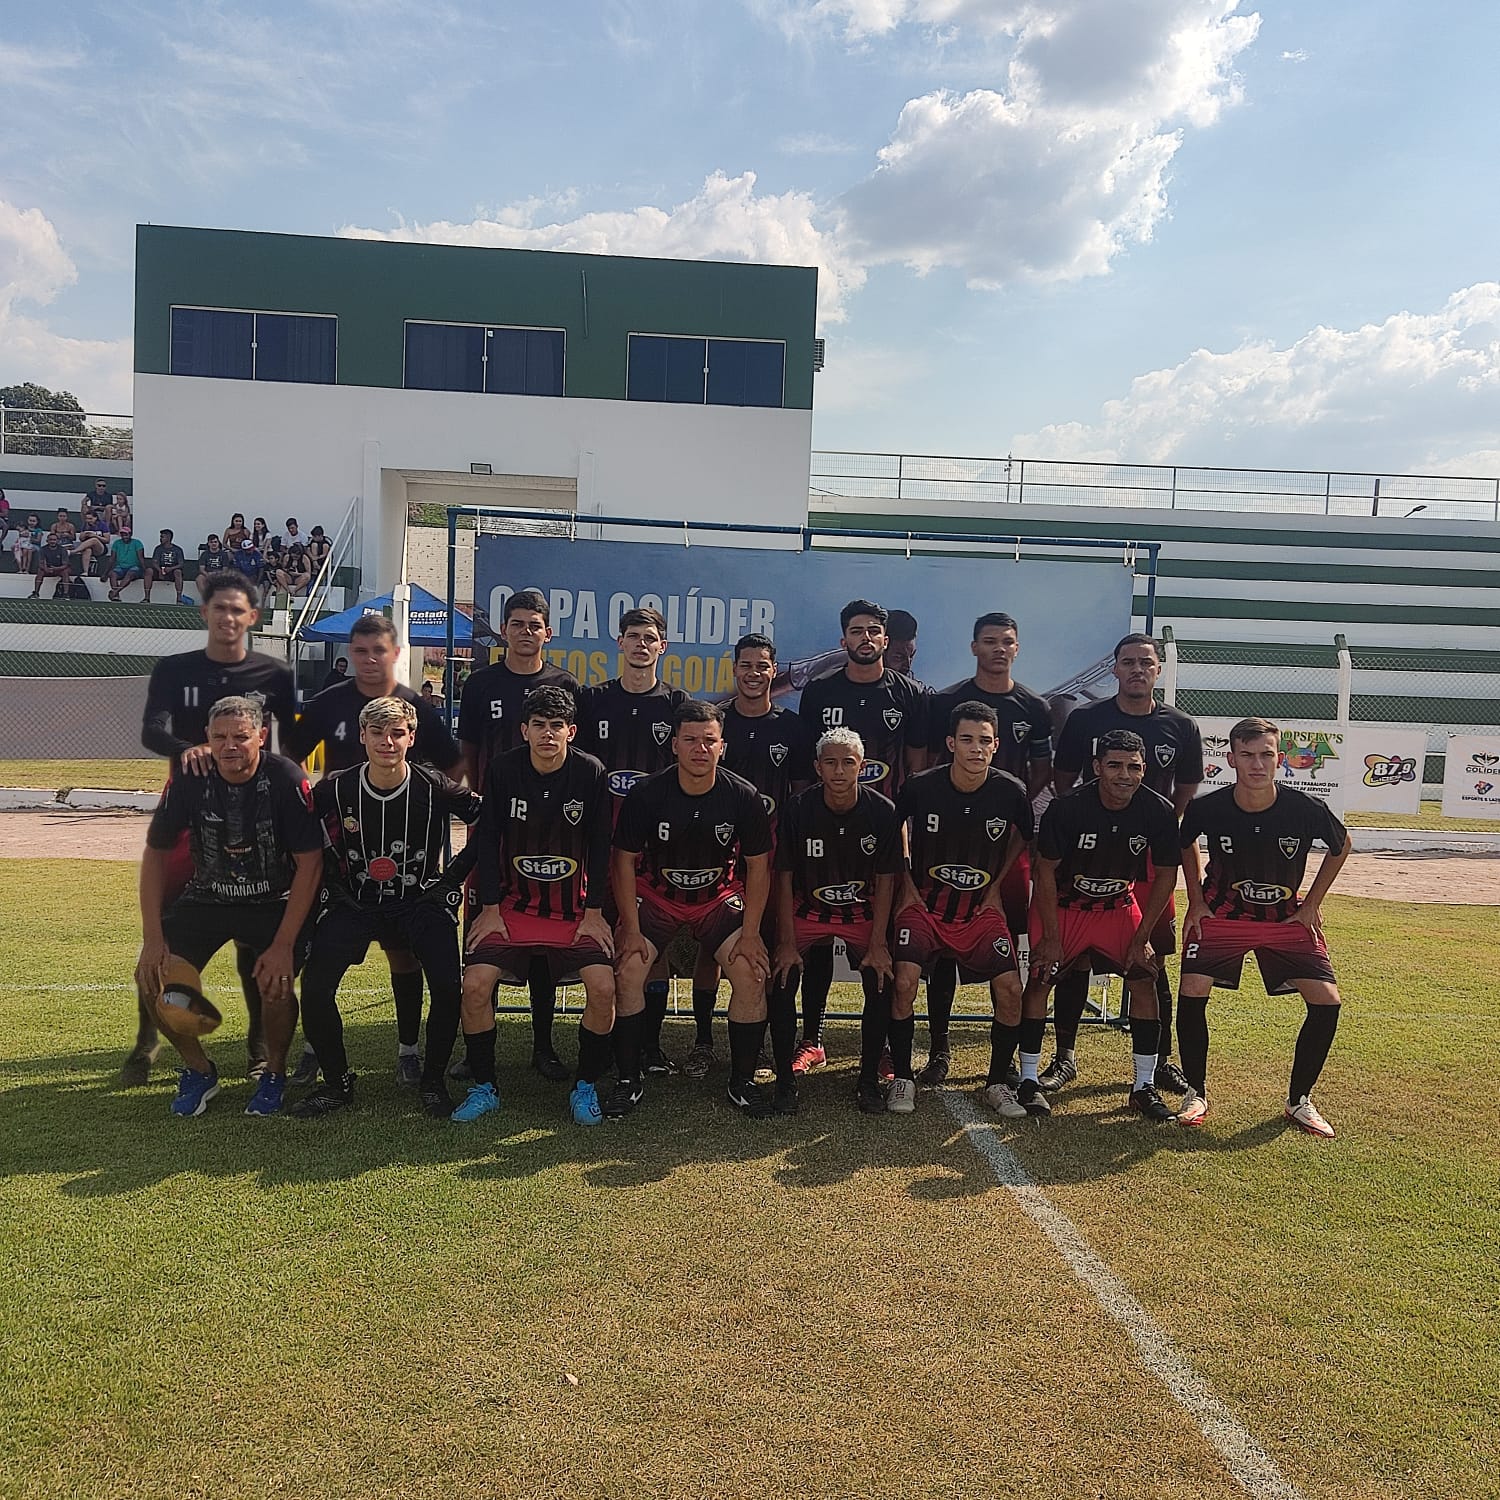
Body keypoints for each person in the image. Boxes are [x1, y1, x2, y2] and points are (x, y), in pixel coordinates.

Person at [127, 571, 300, 1085]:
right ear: (205, 613)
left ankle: (259, 1046)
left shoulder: (274, 672)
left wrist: (279, 785)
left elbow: (288, 740)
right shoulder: (175, 668)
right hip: (189, 806)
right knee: (164, 923)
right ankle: (148, 1038)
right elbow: (151, 730)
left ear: (253, 617)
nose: (228, 617)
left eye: (238, 609)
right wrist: (191, 753)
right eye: (219, 608)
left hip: (254, 805)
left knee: (255, 918)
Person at [283, 612, 465, 1086]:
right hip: (346, 860)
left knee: (405, 957)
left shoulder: (415, 708)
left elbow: (452, 766)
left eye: (378, 651)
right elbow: (289, 760)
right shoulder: (329, 703)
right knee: (319, 966)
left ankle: (410, 1051)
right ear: (350, 653)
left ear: (395, 654)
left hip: (406, 857)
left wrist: (429, 803)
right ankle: (314, 1051)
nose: (368, 660)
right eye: (360, 651)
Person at [291, 697, 482, 1119]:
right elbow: (299, 830)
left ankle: (432, 1080)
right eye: (377, 733)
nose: (387, 742)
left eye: (397, 733)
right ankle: (337, 1084)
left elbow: (488, 821)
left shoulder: (434, 785)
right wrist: (332, 881)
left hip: (419, 901)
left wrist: (451, 879)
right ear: (362, 736)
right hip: (355, 902)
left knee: (449, 988)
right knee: (317, 987)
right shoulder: (335, 787)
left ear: (411, 738)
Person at [134, 696, 323, 1118]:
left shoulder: (285, 779)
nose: (230, 745)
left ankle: (273, 1074)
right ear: (207, 738)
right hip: (208, 897)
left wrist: (283, 944)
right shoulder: (190, 776)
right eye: (220, 737)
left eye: (241, 736)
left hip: (273, 900)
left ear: (261, 736)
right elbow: (156, 854)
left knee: (275, 983)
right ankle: (199, 1071)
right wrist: (153, 938)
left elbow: (310, 864)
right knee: (151, 978)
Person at [1176, 717, 1352, 1137]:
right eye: (1249, 755)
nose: (1258, 764)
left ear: (1280, 759)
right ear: (1231, 757)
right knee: (1192, 988)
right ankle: (1195, 1092)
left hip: (1284, 919)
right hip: (1223, 916)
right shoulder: (1208, 807)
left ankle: (1299, 1101)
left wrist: (1311, 905)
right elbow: (1185, 843)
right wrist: (1196, 901)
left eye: (1267, 755)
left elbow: (1341, 845)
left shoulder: (1304, 808)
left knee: (1327, 1000)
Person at [1049, 633, 1204, 1097]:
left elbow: (1184, 794)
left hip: (1149, 867)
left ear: (1158, 670)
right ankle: (1065, 1056)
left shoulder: (1181, 726)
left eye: (1146, 663)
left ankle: (1160, 1062)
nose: (1138, 670)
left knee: (1150, 961)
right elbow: (1062, 784)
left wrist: (1150, 833)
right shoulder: (1086, 720)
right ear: (1114, 669)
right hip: (1085, 867)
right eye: (1128, 662)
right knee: (1073, 963)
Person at [455, 686, 616, 1126]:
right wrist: (489, 907)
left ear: (571, 731)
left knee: (603, 989)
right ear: (524, 730)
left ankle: (585, 1087)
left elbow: (601, 844)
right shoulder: (504, 769)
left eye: (557, 726)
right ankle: (483, 1086)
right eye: (539, 726)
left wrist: (595, 911)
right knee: (474, 986)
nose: (548, 734)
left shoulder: (591, 772)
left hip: (573, 910)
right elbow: (487, 839)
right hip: (513, 905)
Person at [610, 700, 773, 1117]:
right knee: (629, 968)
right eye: (690, 740)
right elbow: (623, 862)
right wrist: (629, 926)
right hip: (660, 897)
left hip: (716, 899)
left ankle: (742, 1081)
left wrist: (751, 933)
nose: (700, 749)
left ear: (723, 746)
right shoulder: (647, 793)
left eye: (709, 740)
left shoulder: (744, 796)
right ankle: (629, 1077)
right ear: (674, 745)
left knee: (751, 974)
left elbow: (759, 868)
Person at [791, 599, 927, 1074]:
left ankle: (887, 1046)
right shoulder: (820, 691)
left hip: (883, 836)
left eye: (874, 631)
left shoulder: (910, 695)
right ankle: (811, 1038)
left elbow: (916, 772)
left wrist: (906, 838)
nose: (865, 638)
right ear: (843, 639)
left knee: (880, 937)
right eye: (856, 631)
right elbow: (804, 773)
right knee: (819, 933)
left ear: (885, 640)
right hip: (823, 838)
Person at [920, 611, 1055, 1086]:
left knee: (1005, 944)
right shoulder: (949, 701)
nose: (1000, 648)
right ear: (974, 646)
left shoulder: (1034, 707)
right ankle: (938, 1049)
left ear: (1017, 648)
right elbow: (930, 767)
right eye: (990, 641)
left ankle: (1010, 1067)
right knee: (939, 951)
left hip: (1005, 846)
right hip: (946, 846)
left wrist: (1012, 798)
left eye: (1008, 641)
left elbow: (1042, 771)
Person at [1022, 729, 1181, 1123]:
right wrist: (1053, 939)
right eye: (1114, 766)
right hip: (1066, 907)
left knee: (1145, 977)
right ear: (1097, 768)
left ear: (1144, 770)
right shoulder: (1069, 808)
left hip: (1118, 907)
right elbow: (1043, 873)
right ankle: (1027, 1079)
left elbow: (1165, 875)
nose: (1124, 775)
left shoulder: (1158, 810)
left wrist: (1142, 936)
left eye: (1133, 767)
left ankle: (1143, 1086)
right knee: (1041, 976)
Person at [683, 631, 815, 1080]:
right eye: (746, 665)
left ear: (773, 671)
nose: (754, 673)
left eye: (762, 666)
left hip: (772, 859)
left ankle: (757, 1043)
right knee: (710, 950)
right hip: (720, 857)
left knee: (770, 947)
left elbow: (799, 798)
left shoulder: (792, 727)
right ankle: (702, 1041)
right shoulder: (716, 724)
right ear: (734, 669)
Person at [892, 701, 1033, 1117]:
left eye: (984, 741)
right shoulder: (921, 785)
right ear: (951, 743)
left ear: (996, 746)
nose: (976, 748)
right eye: (967, 740)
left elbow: (1023, 837)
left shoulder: (1011, 791)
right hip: (924, 904)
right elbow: (895, 824)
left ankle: (995, 1083)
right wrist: (905, 881)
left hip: (978, 908)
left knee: (1010, 990)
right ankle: (902, 1076)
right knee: (904, 982)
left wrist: (996, 885)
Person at [576, 606, 686, 1076]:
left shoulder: (677, 703)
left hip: (655, 849)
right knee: (600, 942)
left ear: (663, 647)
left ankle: (648, 1047)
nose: (641, 644)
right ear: (618, 643)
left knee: (648, 947)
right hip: (600, 845)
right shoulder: (592, 699)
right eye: (632, 636)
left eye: (650, 638)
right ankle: (603, 1042)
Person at [771, 728, 902, 1114]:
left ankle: (867, 1079)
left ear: (862, 767)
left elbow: (886, 879)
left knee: (880, 977)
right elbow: (783, 875)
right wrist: (786, 940)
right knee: (781, 978)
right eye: (830, 762)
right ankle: (784, 1080)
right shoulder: (798, 807)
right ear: (817, 768)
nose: (839, 770)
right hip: (809, 911)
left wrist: (878, 944)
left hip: (862, 913)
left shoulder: (883, 811)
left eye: (848, 762)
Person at [103, 523, 148, 601]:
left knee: (130, 573)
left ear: (130, 534)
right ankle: (116, 596)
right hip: (120, 567)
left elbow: (141, 558)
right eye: (122, 535)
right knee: (112, 574)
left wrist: (144, 570)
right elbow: (112, 559)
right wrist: (105, 573)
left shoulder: (137, 543)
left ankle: (115, 592)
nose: (124, 537)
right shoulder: (117, 543)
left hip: (134, 567)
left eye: (126, 534)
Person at [145, 529, 186, 603]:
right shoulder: (158, 549)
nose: (160, 539)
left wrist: (171, 568)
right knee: (148, 571)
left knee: (178, 572)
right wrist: (160, 570)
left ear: (168, 537)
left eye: (162, 537)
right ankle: (146, 597)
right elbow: (154, 562)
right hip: (159, 571)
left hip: (171, 572)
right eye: (160, 537)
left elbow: (181, 564)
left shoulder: (177, 549)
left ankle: (179, 598)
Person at [30, 530, 72, 598]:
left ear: (58, 541)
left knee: (65, 572)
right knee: (40, 571)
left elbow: (65, 564)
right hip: (48, 569)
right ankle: (36, 593)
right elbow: (41, 563)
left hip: (59, 569)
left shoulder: (62, 549)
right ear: (47, 541)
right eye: (51, 540)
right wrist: (46, 569)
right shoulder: (43, 549)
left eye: (54, 540)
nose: (52, 541)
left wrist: (56, 568)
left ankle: (66, 594)